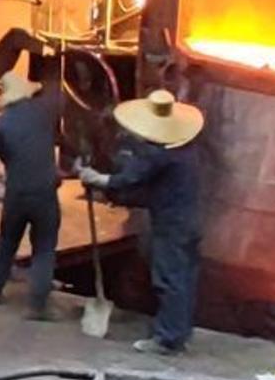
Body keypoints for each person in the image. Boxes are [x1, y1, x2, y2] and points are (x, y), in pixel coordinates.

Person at [79, 88, 204, 356]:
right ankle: (179, 332)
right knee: (184, 279)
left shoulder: (159, 155)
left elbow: (129, 179)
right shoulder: (185, 147)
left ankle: (167, 339)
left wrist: (96, 178)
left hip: (171, 225)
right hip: (190, 220)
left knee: (168, 279)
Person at [0, 66, 63, 320]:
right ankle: (37, 305)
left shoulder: (0, 124)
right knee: (44, 247)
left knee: (7, 240)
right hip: (44, 190)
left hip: (16, 191)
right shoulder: (43, 113)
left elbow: (6, 157)